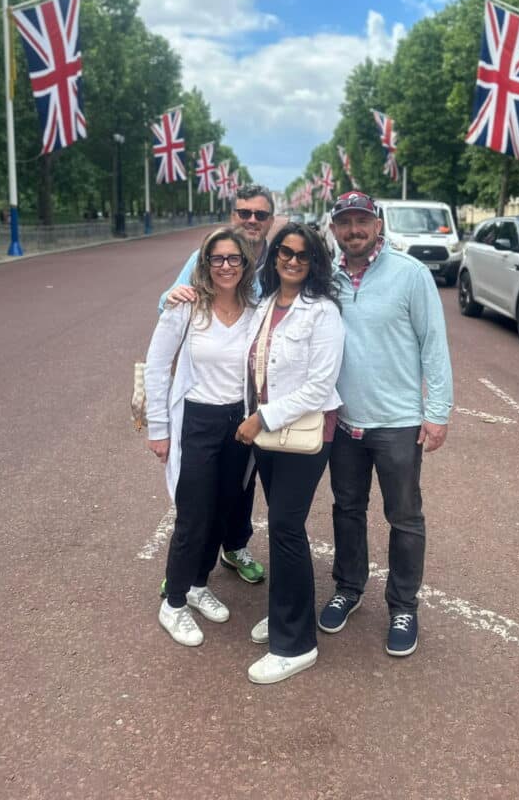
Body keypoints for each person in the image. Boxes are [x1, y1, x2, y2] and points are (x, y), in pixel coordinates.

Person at [318, 191, 453, 658]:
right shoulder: (326, 277)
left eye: (362, 221)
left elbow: (433, 345)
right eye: (345, 222)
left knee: (404, 517)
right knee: (347, 509)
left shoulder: (410, 274)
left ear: (377, 224)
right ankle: (349, 587)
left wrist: (437, 413)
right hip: (344, 419)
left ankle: (402, 605)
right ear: (334, 229)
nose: (353, 230)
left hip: (397, 422)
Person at [235, 223, 345, 684]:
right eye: (285, 252)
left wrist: (262, 417)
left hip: (303, 433)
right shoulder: (263, 305)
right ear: (274, 255)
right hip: (268, 436)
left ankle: (295, 643)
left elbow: (321, 386)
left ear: (314, 260)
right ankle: (285, 610)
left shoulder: (323, 313)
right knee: (282, 527)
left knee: (284, 527)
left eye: (302, 254)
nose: (293, 260)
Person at [158, 183, 275, 585]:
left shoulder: (277, 261)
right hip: (207, 399)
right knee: (198, 496)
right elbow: (172, 303)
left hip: (252, 402)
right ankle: (184, 573)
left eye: (260, 214)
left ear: (270, 220)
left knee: (241, 485)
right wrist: (174, 296)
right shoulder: (205, 256)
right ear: (233, 216)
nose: (252, 220)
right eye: (244, 213)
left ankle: (234, 547)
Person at [145, 227, 257, 647]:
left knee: (223, 510)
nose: (225, 266)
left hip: (240, 426)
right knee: (192, 515)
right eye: (217, 259)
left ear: (245, 264)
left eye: (234, 259)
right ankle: (173, 603)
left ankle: (196, 584)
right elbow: (157, 367)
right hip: (197, 420)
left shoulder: (254, 310)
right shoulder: (186, 308)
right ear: (204, 264)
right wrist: (158, 430)